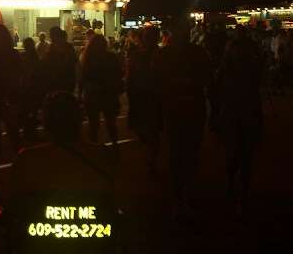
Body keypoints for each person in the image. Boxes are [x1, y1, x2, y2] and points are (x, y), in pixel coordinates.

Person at [7, 93, 120, 253]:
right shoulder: (102, 155)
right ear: (79, 121)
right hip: (93, 242)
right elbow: (112, 199)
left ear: (46, 124)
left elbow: (14, 205)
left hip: (41, 244)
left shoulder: (27, 159)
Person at [155, 20, 211, 220]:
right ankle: (183, 195)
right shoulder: (197, 53)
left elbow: (157, 83)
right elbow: (207, 80)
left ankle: (182, 195)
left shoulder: (167, 54)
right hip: (185, 108)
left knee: (181, 152)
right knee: (185, 153)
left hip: (181, 109)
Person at [215, 25, 263, 214]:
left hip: (241, 114)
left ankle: (239, 190)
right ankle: (236, 188)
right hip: (236, 114)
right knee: (237, 154)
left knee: (242, 154)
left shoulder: (240, 70)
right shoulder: (245, 69)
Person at [127, 26, 163, 170]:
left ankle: (152, 158)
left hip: (152, 96)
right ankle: (151, 154)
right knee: (144, 128)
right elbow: (130, 76)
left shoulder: (161, 54)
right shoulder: (138, 55)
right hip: (141, 96)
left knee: (151, 129)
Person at [80, 34, 123, 146]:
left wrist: (80, 94)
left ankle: (94, 146)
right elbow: (118, 74)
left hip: (92, 93)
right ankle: (114, 145)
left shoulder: (88, 58)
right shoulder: (110, 57)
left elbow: (83, 77)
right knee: (110, 122)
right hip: (108, 92)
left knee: (93, 124)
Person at [0, 24, 23, 155]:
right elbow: (20, 73)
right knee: (12, 126)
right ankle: (19, 152)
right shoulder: (13, 53)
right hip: (11, 93)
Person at [19, 37, 42, 142]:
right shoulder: (34, 55)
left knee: (28, 110)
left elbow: (27, 72)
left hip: (29, 87)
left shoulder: (27, 56)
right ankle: (32, 131)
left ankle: (29, 132)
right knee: (32, 110)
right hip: (34, 87)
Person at [44, 27, 78, 96]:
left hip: (64, 81)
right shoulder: (52, 47)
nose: (50, 37)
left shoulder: (53, 48)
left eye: (51, 35)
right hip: (61, 81)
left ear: (56, 35)